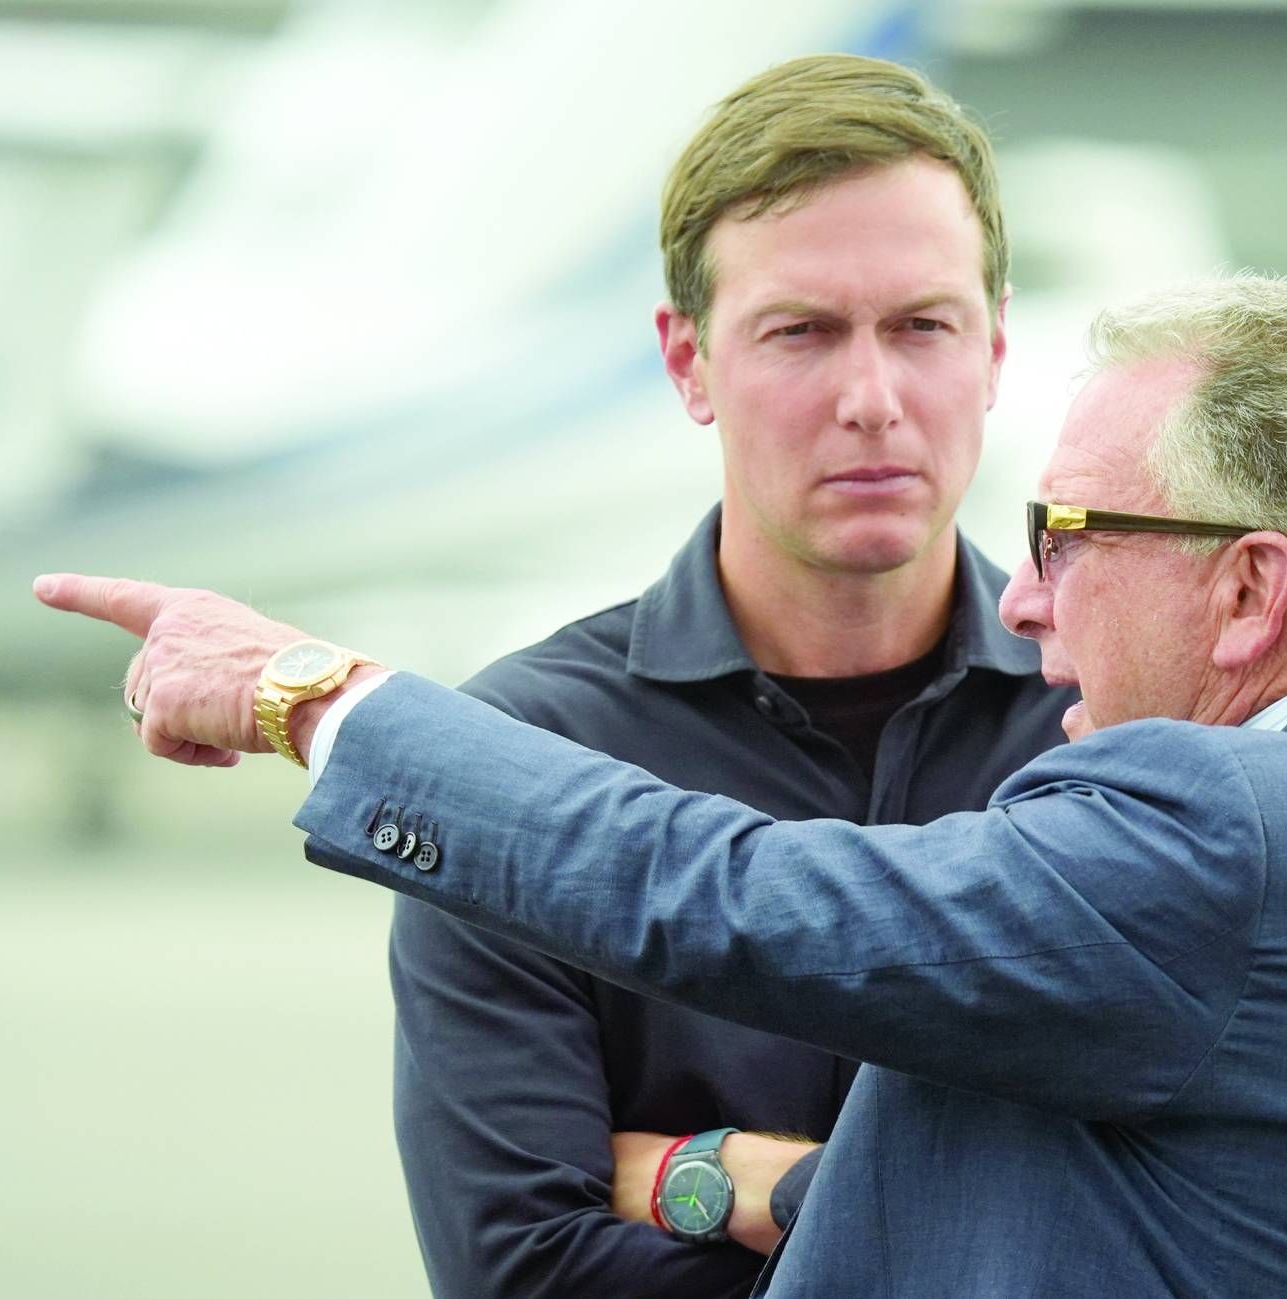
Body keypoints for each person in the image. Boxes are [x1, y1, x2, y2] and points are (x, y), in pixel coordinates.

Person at [37, 274, 1287, 1296]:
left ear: (1251, 590)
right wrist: (715, 1177)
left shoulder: (1213, 832)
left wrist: (317, 698)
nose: (1022, 599)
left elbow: (723, 891)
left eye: (1068, 534)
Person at [384, 54, 1073, 1298]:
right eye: (799, 332)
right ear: (687, 361)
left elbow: (1216, 1213)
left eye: (921, 327)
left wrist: (710, 1179)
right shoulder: (518, 754)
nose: (871, 398)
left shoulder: (1114, 724)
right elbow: (521, 1270)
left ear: (994, 348)